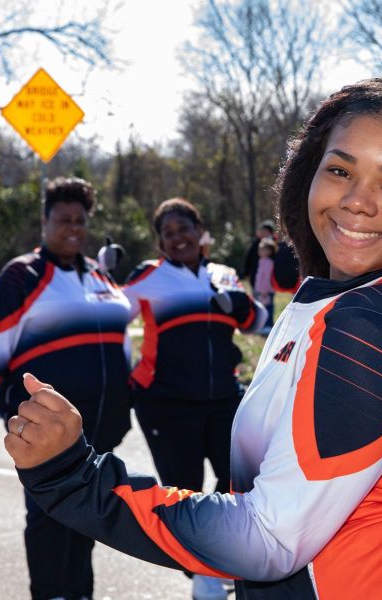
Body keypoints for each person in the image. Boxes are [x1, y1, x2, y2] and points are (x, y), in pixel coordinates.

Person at [4, 79, 382, 599]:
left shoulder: (375, 325)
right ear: (311, 171)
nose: (357, 200)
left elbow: (265, 541)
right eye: (341, 171)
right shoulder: (349, 299)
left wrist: (74, 478)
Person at [0, 176, 132, 600]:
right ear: (45, 221)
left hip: (99, 426)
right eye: (63, 220)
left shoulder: (99, 275)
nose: (73, 228)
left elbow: (122, 342)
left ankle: (78, 594)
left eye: (80, 220)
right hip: (43, 426)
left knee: (88, 517)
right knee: (48, 518)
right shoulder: (22, 275)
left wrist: (125, 403)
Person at [120, 198, 267, 599]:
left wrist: (242, 304)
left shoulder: (224, 274)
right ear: (160, 244)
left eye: (183, 228)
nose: (177, 238)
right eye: (168, 234)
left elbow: (258, 323)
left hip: (224, 399)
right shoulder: (149, 278)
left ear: (199, 231)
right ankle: (205, 580)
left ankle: (216, 566)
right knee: (183, 494)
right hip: (165, 405)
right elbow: (109, 315)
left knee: (239, 485)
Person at [242, 219, 275, 290]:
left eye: (266, 231)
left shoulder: (274, 244)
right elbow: (249, 257)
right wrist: (246, 271)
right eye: (262, 231)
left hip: (270, 280)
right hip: (255, 275)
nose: (263, 233)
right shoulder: (256, 243)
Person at [253, 236, 277, 334]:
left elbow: (267, 277)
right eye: (259, 249)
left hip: (266, 290)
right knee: (263, 308)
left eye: (262, 249)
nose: (259, 251)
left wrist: (264, 290)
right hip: (261, 290)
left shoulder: (268, 262)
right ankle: (263, 325)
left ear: (269, 251)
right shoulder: (262, 261)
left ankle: (268, 325)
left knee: (268, 308)